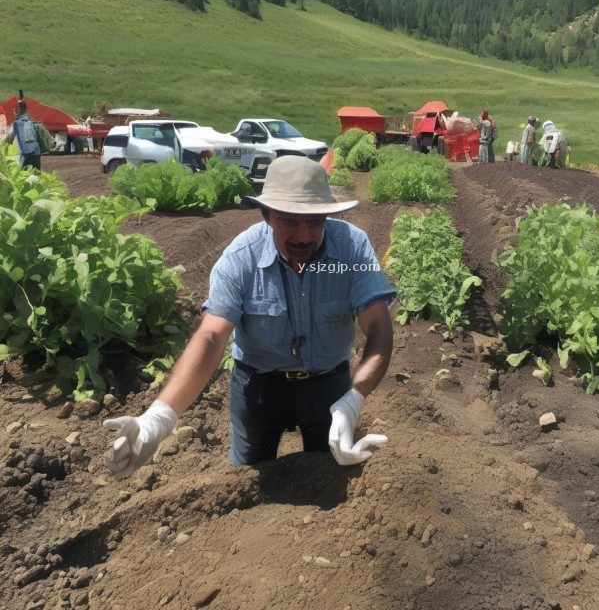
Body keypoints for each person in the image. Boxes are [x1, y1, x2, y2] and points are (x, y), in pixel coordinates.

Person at [104, 156, 396, 477]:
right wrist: (159, 418)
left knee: (331, 475)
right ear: (267, 215)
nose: (303, 235)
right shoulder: (241, 258)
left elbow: (379, 328)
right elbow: (211, 336)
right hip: (258, 388)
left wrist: (354, 399)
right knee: (247, 480)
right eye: (289, 220)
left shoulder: (352, 248)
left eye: (314, 221)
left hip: (329, 384)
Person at [2, 100, 41, 170]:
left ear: (19, 109)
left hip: (26, 152)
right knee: (36, 173)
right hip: (37, 151)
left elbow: (10, 137)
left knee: (22, 172)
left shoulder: (17, 123)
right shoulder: (32, 120)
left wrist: (3, 144)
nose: (14, 111)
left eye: (15, 109)